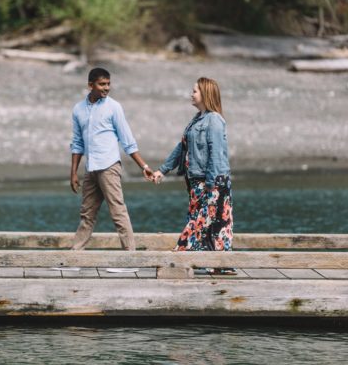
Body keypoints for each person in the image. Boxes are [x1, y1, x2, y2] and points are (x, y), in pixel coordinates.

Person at [152, 77, 234, 274]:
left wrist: (211, 182)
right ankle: (218, 266)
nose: (191, 94)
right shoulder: (197, 119)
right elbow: (182, 148)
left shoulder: (214, 119)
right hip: (196, 180)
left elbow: (215, 152)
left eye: (195, 91)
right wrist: (162, 170)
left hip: (214, 181)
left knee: (209, 222)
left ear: (205, 94)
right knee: (206, 221)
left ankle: (182, 255)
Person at [69, 67, 154, 251]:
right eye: (102, 84)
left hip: (109, 167)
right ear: (90, 85)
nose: (106, 88)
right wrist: (73, 172)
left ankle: (130, 258)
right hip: (90, 169)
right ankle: (74, 256)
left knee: (118, 213)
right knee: (87, 214)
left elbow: (128, 141)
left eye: (108, 84)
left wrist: (144, 166)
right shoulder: (78, 110)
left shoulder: (114, 107)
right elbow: (77, 144)